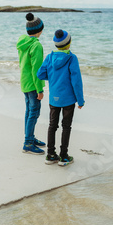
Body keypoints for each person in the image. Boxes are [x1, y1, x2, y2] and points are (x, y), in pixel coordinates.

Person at [37, 29, 85, 166]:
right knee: (66, 126)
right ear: (68, 44)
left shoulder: (49, 57)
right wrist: (80, 100)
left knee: (52, 125)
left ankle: (50, 155)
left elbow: (40, 74)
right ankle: (63, 156)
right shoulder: (71, 58)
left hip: (54, 99)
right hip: (68, 99)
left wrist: (52, 79)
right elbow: (76, 81)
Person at [16, 13, 46, 155]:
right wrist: (40, 90)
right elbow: (37, 70)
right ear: (40, 30)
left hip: (24, 82)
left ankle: (31, 138)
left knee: (29, 111)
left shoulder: (23, 41)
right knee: (34, 112)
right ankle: (28, 143)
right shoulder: (36, 46)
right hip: (33, 85)